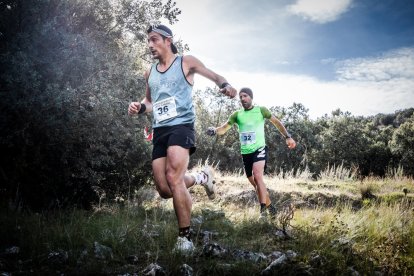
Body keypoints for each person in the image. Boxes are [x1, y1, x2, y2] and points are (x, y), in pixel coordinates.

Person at [128, 24, 237, 254]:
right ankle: (202, 177)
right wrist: (139, 107)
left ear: (168, 40)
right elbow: (150, 102)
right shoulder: (150, 72)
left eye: (154, 39)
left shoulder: (185, 62)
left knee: (173, 177)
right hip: (160, 129)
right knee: (164, 189)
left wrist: (225, 85)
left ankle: (185, 238)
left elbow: (216, 76)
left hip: (182, 126)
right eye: (148, 41)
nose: (150, 45)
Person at [206, 87, 296, 219]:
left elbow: (276, 122)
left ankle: (262, 212)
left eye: (245, 96)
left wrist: (287, 136)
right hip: (246, 152)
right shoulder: (237, 115)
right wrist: (214, 130)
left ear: (251, 97)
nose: (242, 99)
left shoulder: (261, 110)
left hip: (259, 149)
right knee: (254, 182)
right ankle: (271, 208)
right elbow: (224, 128)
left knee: (257, 175)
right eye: (241, 97)